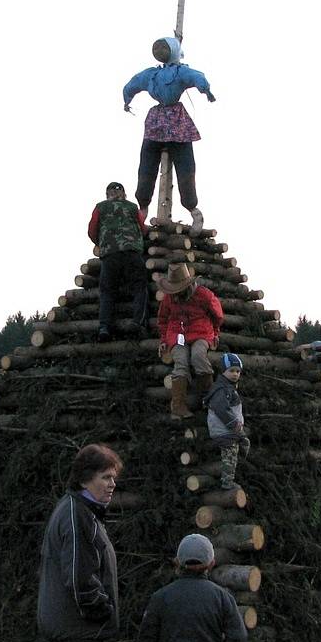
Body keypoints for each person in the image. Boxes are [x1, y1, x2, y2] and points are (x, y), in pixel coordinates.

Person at [37, 443, 123, 642]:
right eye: (105, 477)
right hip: (80, 631)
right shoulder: (77, 516)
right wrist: (103, 611)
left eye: (114, 477)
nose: (112, 484)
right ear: (85, 479)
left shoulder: (80, 511)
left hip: (73, 630)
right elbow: (80, 578)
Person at [123, 36, 216, 236]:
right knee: (155, 165)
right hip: (167, 121)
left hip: (167, 122)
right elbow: (196, 76)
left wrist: (205, 89)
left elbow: (131, 85)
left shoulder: (163, 74)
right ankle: (146, 207)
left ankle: (190, 208)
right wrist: (205, 89)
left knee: (181, 167)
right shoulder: (163, 74)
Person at [157, 262, 223, 420]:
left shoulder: (204, 295)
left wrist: (215, 334)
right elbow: (163, 319)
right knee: (181, 361)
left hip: (201, 332)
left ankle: (209, 401)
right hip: (177, 334)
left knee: (199, 356)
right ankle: (178, 406)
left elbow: (218, 317)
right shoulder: (168, 299)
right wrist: (164, 339)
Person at [88, 181, 148, 342]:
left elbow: (92, 230)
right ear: (124, 194)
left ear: (107, 194)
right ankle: (138, 323)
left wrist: (101, 243)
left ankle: (104, 327)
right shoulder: (132, 207)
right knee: (139, 287)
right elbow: (143, 229)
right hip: (132, 252)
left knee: (107, 291)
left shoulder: (100, 207)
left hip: (110, 255)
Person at [203, 353, 250, 491]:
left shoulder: (229, 387)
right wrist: (234, 422)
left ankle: (237, 471)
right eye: (231, 371)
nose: (235, 374)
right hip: (224, 430)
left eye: (238, 371)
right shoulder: (222, 389)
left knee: (244, 443)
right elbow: (221, 408)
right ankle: (227, 482)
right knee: (230, 454)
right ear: (223, 371)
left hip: (230, 429)